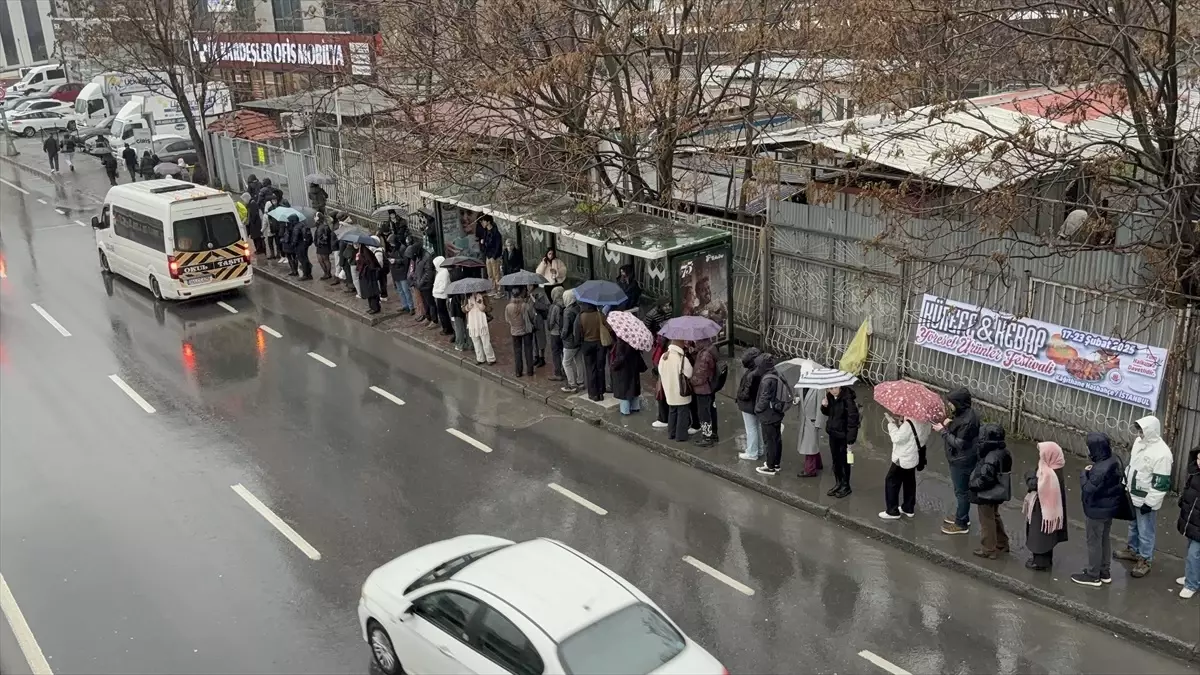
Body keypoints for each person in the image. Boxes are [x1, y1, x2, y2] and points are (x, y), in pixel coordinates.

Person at [1115, 415, 1174, 578]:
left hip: (1146, 498)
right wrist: (1124, 483)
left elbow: (1160, 483)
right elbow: (1132, 466)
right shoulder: (1139, 443)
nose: (1139, 433)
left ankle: (1145, 559)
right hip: (1133, 494)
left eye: (1142, 430)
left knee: (1146, 531)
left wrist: (1150, 502)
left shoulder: (1162, 454)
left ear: (1151, 431)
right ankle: (1133, 550)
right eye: (1138, 430)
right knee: (1133, 525)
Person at [1071, 432, 1125, 587]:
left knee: (1094, 541)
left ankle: (1093, 575)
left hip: (1096, 510)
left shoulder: (1099, 469)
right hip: (1109, 509)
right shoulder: (1114, 460)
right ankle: (1104, 572)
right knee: (1104, 539)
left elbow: (1088, 488)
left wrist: (1084, 474)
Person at [934, 387, 981, 535]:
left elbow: (960, 444)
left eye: (951, 403)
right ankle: (962, 516)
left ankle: (961, 523)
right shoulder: (966, 414)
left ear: (959, 403)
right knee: (961, 491)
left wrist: (943, 431)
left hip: (961, 460)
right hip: (961, 458)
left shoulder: (968, 420)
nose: (949, 405)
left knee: (961, 492)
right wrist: (950, 422)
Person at [968, 423, 1013, 559]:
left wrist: (972, 485)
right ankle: (1002, 543)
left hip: (987, 494)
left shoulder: (991, 457)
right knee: (994, 516)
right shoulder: (1004, 452)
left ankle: (988, 548)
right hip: (998, 491)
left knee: (986, 520)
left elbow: (986, 479)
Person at [1023, 441, 1068, 570]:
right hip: (1051, 510)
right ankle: (1045, 560)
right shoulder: (1055, 467)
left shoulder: (1049, 473)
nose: (1040, 456)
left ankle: (1040, 562)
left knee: (1040, 536)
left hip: (1043, 510)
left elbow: (1035, 485)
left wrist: (1029, 475)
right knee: (1047, 536)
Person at [879, 414, 929, 519]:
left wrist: (891, 425)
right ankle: (908, 508)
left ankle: (892, 511)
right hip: (913, 457)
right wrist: (902, 423)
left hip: (902, 457)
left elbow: (897, 438)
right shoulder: (926, 421)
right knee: (909, 481)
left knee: (891, 480)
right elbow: (917, 437)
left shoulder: (909, 423)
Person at [820, 385, 860, 498]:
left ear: (840, 387)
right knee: (835, 460)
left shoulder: (848, 400)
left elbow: (853, 421)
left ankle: (846, 485)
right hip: (833, 434)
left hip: (843, 436)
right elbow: (828, 413)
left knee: (844, 462)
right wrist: (824, 406)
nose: (833, 391)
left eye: (835, 388)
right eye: (830, 388)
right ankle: (838, 483)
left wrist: (850, 440)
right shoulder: (830, 397)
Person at [753, 354, 787, 475]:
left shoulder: (766, 380)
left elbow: (764, 399)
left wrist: (757, 409)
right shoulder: (776, 374)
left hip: (768, 415)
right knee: (777, 439)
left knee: (769, 441)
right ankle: (776, 463)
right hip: (777, 413)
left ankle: (770, 466)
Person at [1176, 447, 1200, 599]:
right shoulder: (1195, 474)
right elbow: (1188, 490)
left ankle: (1191, 584)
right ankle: (1192, 576)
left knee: (1194, 554)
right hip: (1192, 521)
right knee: (1192, 550)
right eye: (1198, 459)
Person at [659, 340, 693, 442]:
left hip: (669, 390)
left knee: (672, 411)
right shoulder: (682, 359)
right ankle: (681, 436)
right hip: (680, 391)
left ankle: (671, 433)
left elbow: (660, 371)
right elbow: (689, 373)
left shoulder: (664, 356)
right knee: (682, 412)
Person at [689, 338, 720, 447]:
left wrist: (690, 381)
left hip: (703, 389)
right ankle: (713, 433)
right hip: (710, 387)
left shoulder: (704, 355)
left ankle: (707, 437)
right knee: (711, 409)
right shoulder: (710, 349)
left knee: (703, 413)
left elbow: (700, 375)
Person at [734, 348, 763, 460]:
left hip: (748, 405)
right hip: (757, 404)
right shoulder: (761, 371)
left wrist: (739, 397)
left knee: (751, 429)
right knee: (758, 427)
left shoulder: (750, 374)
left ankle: (752, 452)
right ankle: (759, 449)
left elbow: (745, 394)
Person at [611, 333, 646, 415]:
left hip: (624, 371)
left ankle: (625, 411)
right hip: (634, 368)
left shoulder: (621, 342)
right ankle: (635, 407)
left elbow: (620, 358)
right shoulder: (635, 340)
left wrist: (613, 366)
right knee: (634, 388)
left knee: (624, 392)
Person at [795, 384, 825, 477]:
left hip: (812, 420)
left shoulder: (819, 387)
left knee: (810, 446)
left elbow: (820, 407)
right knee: (811, 444)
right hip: (804, 420)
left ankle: (810, 470)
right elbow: (796, 396)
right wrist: (795, 400)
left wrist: (818, 423)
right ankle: (818, 464)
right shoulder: (800, 385)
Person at [505, 289, 536, 377]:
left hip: (514, 332)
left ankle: (518, 372)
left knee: (517, 352)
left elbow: (507, 319)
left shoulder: (508, 307)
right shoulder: (525, 305)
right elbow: (532, 316)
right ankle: (530, 371)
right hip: (526, 331)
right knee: (528, 350)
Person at [579, 303, 605, 401]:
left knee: (590, 369)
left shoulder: (581, 316)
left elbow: (579, 331)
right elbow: (608, 327)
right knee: (600, 368)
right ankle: (601, 392)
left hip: (587, 343)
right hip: (599, 343)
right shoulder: (600, 315)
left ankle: (593, 393)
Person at [408, 241, 437, 327]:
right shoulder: (419, 257)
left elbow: (428, 273)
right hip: (420, 284)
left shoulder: (427, 257)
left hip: (426, 284)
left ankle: (434, 320)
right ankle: (428, 317)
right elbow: (418, 270)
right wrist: (416, 280)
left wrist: (420, 282)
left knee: (430, 303)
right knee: (425, 302)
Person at [560, 290, 583, 393]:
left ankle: (572, 384)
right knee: (578, 360)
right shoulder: (578, 308)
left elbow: (565, 329)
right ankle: (581, 381)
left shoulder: (567, 311)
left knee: (566, 362)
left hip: (570, 342)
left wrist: (562, 336)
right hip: (579, 339)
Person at [387, 231, 413, 311]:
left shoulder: (402, 248)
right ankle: (405, 305)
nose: (391, 244)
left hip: (402, 272)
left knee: (405, 290)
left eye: (391, 243)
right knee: (400, 291)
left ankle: (411, 306)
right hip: (396, 273)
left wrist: (395, 261)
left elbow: (405, 261)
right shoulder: (394, 249)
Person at [467, 292, 495, 364]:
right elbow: (463, 309)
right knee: (476, 341)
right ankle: (480, 358)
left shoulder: (483, 296)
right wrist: (468, 307)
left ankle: (491, 358)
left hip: (481, 321)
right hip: (472, 321)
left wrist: (482, 306)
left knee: (486, 341)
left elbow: (490, 308)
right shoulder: (467, 296)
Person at [546, 287, 566, 381]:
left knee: (556, 353)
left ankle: (558, 373)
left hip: (555, 333)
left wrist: (549, 328)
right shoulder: (566, 304)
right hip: (563, 333)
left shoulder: (554, 306)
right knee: (564, 352)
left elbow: (551, 321)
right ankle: (566, 371)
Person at [356, 243, 383, 314]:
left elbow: (369, 262)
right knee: (368, 291)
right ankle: (372, 307)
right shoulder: (362, 250)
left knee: (371, 291)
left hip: (368, 275)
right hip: (366, 274)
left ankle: (375, 307)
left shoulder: (365, 251)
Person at [650, 336, 670, 429]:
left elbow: (656, 361)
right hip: (667, 374)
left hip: (663, 375)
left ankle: (663, 419)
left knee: (662, 396)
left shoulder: (662, 346)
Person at [528, 284, 549, 367]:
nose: (527, 287)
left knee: (540, 339)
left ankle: (542, 357)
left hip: (538, 319)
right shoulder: (528, 293)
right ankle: (536, 356)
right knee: (533, 339)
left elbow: (545, 306)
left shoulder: (540, 293)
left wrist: (535, 301)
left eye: (529, 285)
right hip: (531, 319)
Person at [480, 218, 503, 293]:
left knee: (496, 274)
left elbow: (498, 245)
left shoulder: (496, 233)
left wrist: (494, 256)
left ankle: (499, 291)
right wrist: (483, 244)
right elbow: (484, 244)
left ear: (488, 222)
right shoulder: (485, 232)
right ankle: (493, 289)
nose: (482, 223)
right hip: (488, 256)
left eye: (483, 221)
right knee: (490, 274)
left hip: (494, 256)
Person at [432, 256, 454, 335]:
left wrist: (435, 290)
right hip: (438, 295)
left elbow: (443, 286)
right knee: (441, 312)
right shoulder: (441, 272)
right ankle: (446, 327)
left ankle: (447, 328)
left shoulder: (444, 272)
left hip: (441, 295)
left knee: (443, 313)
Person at [314, 214, 334, 280]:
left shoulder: (324, 226)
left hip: (324, 245)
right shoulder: (318, 225)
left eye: (315, 216)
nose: (314, 218)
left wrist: (321, 242)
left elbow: (326, 237)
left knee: (325, 259)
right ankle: (325, 273)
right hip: (319, 246)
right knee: (320, 260)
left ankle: (328, 274)